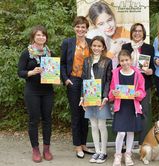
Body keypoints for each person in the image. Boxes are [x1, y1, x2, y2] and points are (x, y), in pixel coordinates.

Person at [17, 25, 54, 162]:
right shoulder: (26, 53)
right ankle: (35, 149)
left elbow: (54, 71)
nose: (41, 37)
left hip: (48, 91)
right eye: (38, 35)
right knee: (33, 121)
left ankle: (47, 149)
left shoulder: (49, 52)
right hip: (32, 91)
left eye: (43, 35)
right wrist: (31, 72)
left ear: (46, 38)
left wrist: (56, 78)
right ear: (33, 37)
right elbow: (20, 72)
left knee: (47, 120)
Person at [60, 16, 94, 158]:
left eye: (83, 27)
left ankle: (84, 144)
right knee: (76, 115)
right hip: (73, 81)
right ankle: (77, 146)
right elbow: (62, 63)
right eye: (78, 26)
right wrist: (66, 79)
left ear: (87, 29)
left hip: (88, 82)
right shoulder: (67, 42)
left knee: (85, 114)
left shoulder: (92, 43)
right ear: (74, 28)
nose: (80, 29)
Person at [108, 50, 146, 166]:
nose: (124, 63)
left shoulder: (138, 74)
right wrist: (113, 93)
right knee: (121, 133)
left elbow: (141, 90)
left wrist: (139, 94)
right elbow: (111, 90)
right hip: (121, 106)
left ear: (131, 60)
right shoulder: (115, 73)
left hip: (132, 107)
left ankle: (128, 155)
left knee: (130, 132)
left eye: (126, 60)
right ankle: (118, 155)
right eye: (122, 60)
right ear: (119, 62)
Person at [79, 36, 113, 163]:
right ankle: (97, 151)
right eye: (94, 46)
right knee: (93, 125)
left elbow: (108, 80)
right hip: (89, 96)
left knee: (101, 125)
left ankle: (104, 152)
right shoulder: (86, 61)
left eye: (99, 46)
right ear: (91, 47)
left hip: (101, 98)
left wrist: (105, 97)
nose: (96, 48)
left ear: (103, 47)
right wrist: (82, 97)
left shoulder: (107, 61)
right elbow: (84, 80)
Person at [122, 23, 155, 147]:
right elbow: (121, 65)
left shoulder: (149, 48)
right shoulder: (125, 47)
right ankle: (127, 144)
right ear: (131, 32)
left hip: (144, 85)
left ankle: (144, 143)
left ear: (143, 33)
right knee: (128, 112)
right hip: (128, 85)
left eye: (140, 31)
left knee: (144, 113)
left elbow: (153, 67)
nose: (137, 33)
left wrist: (151, 71)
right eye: (135, 31)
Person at [86, 1, 130, 69]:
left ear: (113, 16)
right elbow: (95, 69)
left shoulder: (124, 33)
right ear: (95, 25)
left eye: (109, 20)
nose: (108, 26)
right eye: (101, 24)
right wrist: (112, 51)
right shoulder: (92, 39)